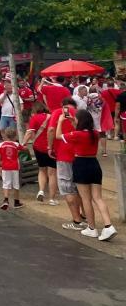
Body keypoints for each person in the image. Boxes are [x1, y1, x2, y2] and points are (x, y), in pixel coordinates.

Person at [57, 109, 116, 241]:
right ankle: (108, 225)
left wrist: (61, 122)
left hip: (81, 164)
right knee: (98, 198)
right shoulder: (94, 133)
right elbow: (81, 131)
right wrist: (73, 121)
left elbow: (58, 135)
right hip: (94, 164)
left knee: (86, 199)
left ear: (80, 121)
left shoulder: (77, 134)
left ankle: (92, 228)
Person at [49, 98, 87, 231]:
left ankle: (77, 221)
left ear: (62, 104)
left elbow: (52, 130)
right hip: (80, 156)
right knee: (80, 188)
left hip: (63, 155)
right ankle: (84, 215)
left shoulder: (57, 112)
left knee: (67, 188)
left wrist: (50, 147)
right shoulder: (80, 114)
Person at [22, 102, 57, 205]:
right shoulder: (53, 117)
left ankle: (41, 190)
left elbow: (29, 132)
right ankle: (52, 199)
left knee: (41, 170)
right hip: (52, 147)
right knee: (52, 173)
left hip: (38, 147)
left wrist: (23, 143)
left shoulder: (34, 118)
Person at [0, 127, 23, 210]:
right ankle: (16, 202)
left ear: (5, 135)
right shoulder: (16, 144)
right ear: (15, 136)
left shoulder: (1, 145)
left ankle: (5, 200)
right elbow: (23, 148)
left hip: (5, 166)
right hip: (15, 167)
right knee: (16, 184)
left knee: (6, 183)